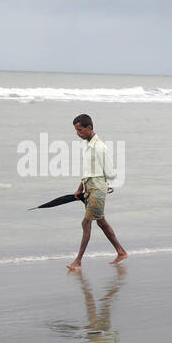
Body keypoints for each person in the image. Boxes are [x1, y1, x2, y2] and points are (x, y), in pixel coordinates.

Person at [66, 114, 128, 270]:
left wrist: (103, 184)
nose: (77, 133)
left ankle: (78, 261)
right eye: (76, 130)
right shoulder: (88, 146)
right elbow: (88, 172)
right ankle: (121, 252)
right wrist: (80, 189)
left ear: (89, 128)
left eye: (80, 130)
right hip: (89, 188)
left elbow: (111, 173)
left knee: (86, 223)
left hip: (97, 189)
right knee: (101, 222)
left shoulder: (100, 147)